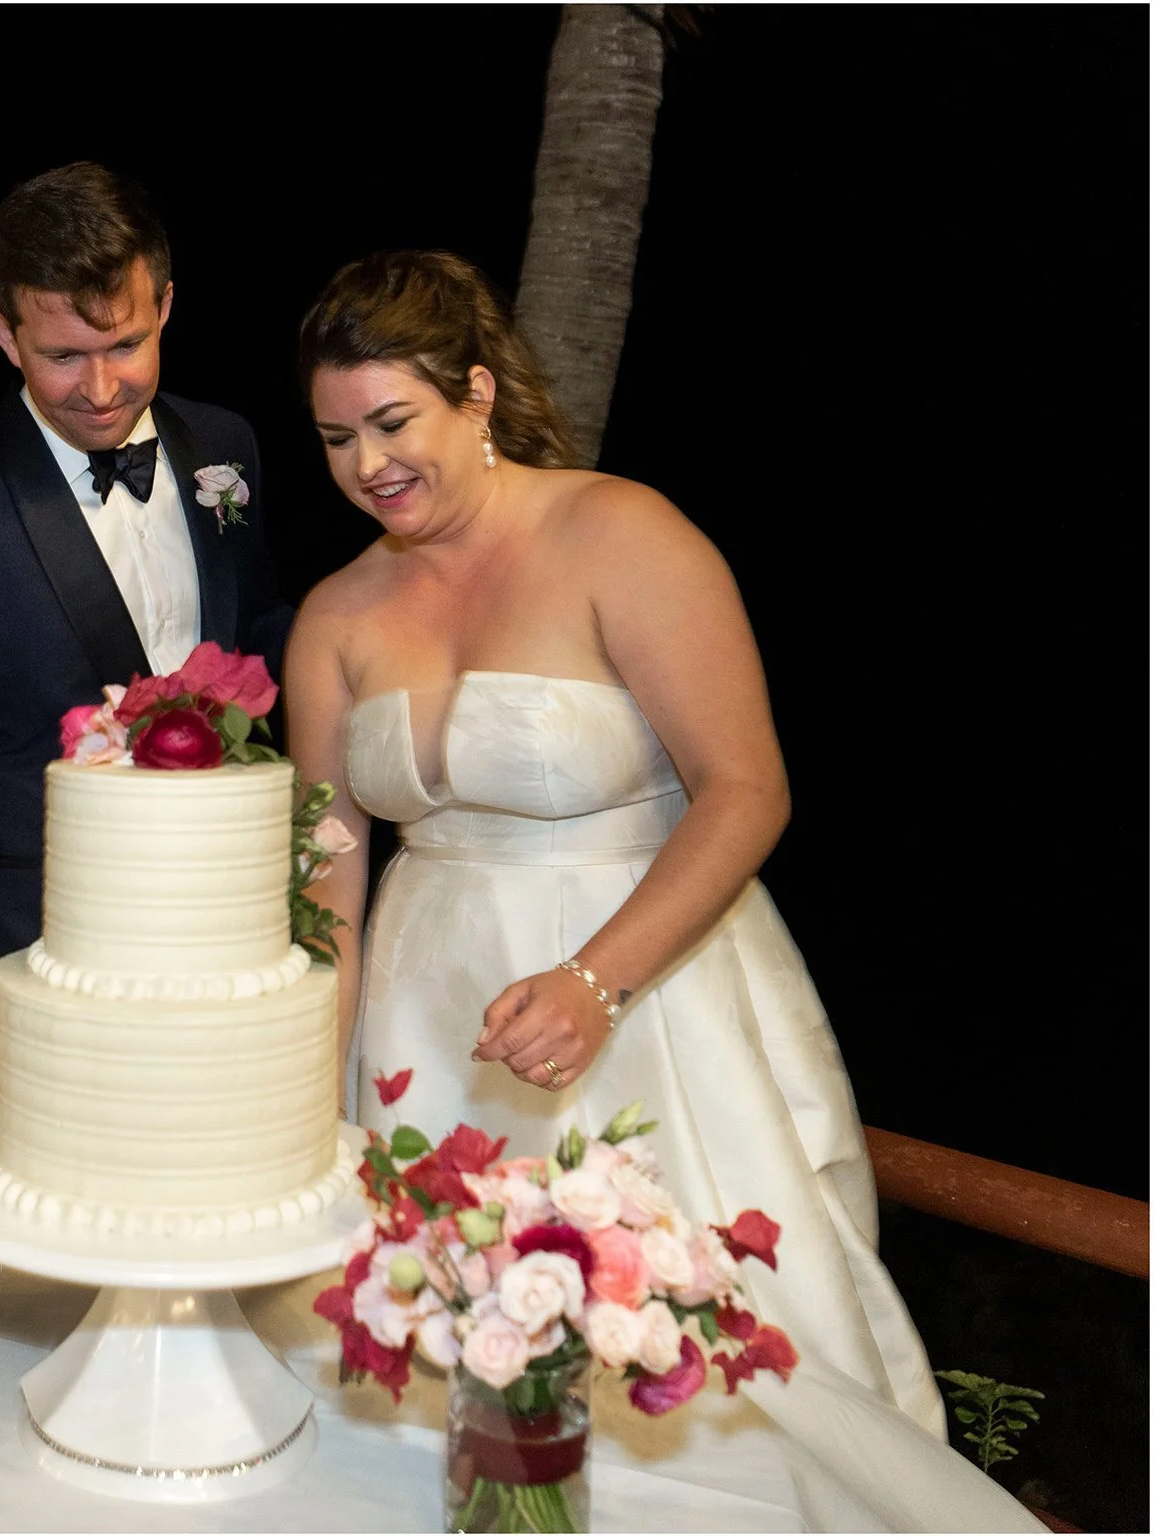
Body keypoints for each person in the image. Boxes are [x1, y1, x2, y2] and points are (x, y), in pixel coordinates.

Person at [282, 250, 946, 1439]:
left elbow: (744, 789)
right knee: (434, 1360)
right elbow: (328, 868)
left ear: (475, 394)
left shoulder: (619, 531)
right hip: (423, 1019)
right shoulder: (332, 613)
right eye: (336, 440)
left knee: (688, 1359)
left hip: (646, 999)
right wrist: (307, 1087)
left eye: (393, 422)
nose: (367, 466)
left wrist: (596, 982)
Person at [0, 162, 290, 1109]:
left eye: (125, 342)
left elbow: (259, 637)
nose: (101, 385)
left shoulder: (227, 450)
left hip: (228, 945)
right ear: (3, 331)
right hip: (32, 968)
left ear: (166, 303)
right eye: (62, 355)